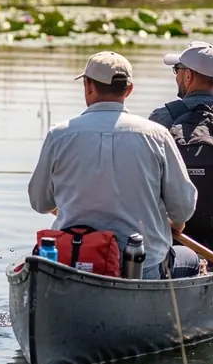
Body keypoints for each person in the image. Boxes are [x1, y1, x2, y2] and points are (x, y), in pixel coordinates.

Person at [27, 51, 199, 279]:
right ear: (129, 90)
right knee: (191, 259)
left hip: (74, 260)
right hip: (142, 266)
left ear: (88, 86)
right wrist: (175, 225)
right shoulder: (157, 135)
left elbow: (40, 202)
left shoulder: (59, 135)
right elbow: (183, 208)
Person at [149, 41, 213, 254]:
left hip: (177, 235)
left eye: (177, 70)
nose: (176, 76)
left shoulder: (161, 117)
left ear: (189, 76)